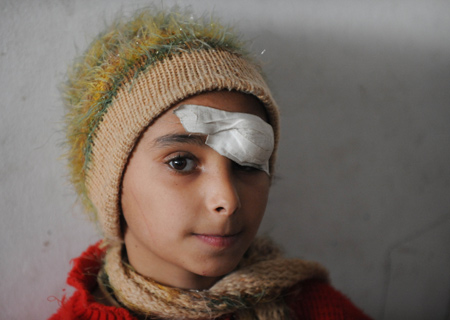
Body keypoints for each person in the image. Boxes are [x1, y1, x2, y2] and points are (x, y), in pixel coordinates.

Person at [50, 6, 372, 320]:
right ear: (111, 184)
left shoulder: (316, 309)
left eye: (247, 164)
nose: (228, 201)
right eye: (180, 163)